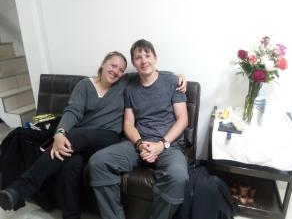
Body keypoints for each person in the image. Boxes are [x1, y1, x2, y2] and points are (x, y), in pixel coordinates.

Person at [0, 51, 186, 219]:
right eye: (113, 66)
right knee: (69, 165)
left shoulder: (124, 83)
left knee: (73, 138)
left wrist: (177, 77)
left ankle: (21, 187)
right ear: (103, 64)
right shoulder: (84, 86)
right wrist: (59, 133)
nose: (116, 71)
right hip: (82, 140)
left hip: (108, 136)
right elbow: (72, 111)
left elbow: (149, 70)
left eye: (121, 69)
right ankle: (70, 216)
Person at [89, 39, 189, 219]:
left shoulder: (173, 81)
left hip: (168, 146)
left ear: (155, 58)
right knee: (98, 161)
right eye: (138, 57)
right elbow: (128, 123)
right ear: (134, 63)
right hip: (137, 144)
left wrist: (161, 145)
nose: (143, 60)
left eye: (147, 55)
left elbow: (183, 120)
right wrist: (140, 143)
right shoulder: (130, 88)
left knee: (178, 176)